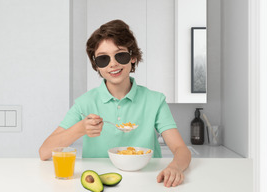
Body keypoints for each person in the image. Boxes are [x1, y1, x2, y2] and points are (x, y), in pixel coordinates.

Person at [39, 19, 191, 188]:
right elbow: (45, 152)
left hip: (147, 182)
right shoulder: (85, 103)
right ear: (96, 66)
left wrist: (175, 167)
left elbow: (181, 149)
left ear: (132, 58)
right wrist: (80, 129)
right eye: (103, 59)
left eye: (120, 55)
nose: (113, 64)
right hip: (97, 183)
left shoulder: (155, 101)